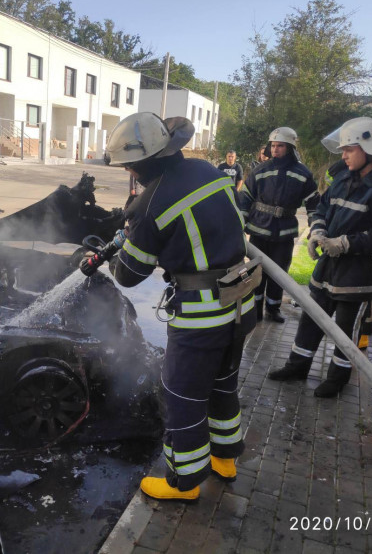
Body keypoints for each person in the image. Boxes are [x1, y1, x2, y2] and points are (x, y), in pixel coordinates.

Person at [104, 112, 257, 501]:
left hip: (203, 314)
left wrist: (114, 250)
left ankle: (184, 483)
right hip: (241, 299)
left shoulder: (149, 204)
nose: (130, 173)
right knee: (223, 382)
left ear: (143, 162)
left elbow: (128, 275)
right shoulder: (208, 170)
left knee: (182, 395)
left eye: (129, 166)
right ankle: (226, 458)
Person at [269, 117, 372, 398]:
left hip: (361, 275)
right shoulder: (344, 176)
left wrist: (345, 243)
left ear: (370, 148)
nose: (343, 155)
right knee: (311, 318)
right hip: (329, 267)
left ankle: (337, 379)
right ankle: (298, 366)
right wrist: (317, 232)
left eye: (349, 149)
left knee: (348, 329)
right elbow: (322, 207)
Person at [238, 127, 319, 323]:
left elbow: (314, 205)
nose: (275, 150)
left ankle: (273, 309)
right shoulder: (260, 170)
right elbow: (245, 199)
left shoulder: (303, 173)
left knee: (280, 273)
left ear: (290, 147)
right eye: (273, 146)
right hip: (258, 230)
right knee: (256, 272)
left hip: (285, 233)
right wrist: (239, 223)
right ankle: (255, 309)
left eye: (280, 146)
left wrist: (316, 228)